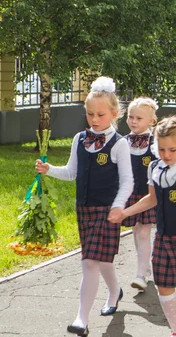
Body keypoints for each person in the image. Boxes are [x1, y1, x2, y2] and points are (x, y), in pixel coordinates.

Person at [35, 76, 133, 337]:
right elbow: (71, 173)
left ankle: (81, 318)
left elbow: (128, 182)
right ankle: (115, 291)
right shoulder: (80, 139)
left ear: (114, 114)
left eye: (100, 114)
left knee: (90, 261)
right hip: (84, 210)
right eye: (90, 113)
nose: (94, 119)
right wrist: (48, 170)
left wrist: (119, 206)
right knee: (101, 262)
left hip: (108, 211)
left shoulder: (119, 143)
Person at [109, 117, 176, 336]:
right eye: (161, 149)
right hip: (164, 237)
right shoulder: (155, 167)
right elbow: (151, 199)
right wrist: (125, 212)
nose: (166, 154)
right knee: (164, 285)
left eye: (172, 149)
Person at [123, 97, 158, 292]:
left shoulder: (155, 143)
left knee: (144, 231)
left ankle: (140, 275)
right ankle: (146, 267)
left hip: (149, 193)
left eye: (139, 118)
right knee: (136, 232)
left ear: (151, 121)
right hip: (130, 193)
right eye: (131, 117)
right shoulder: (123, 142)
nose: (133, 121)